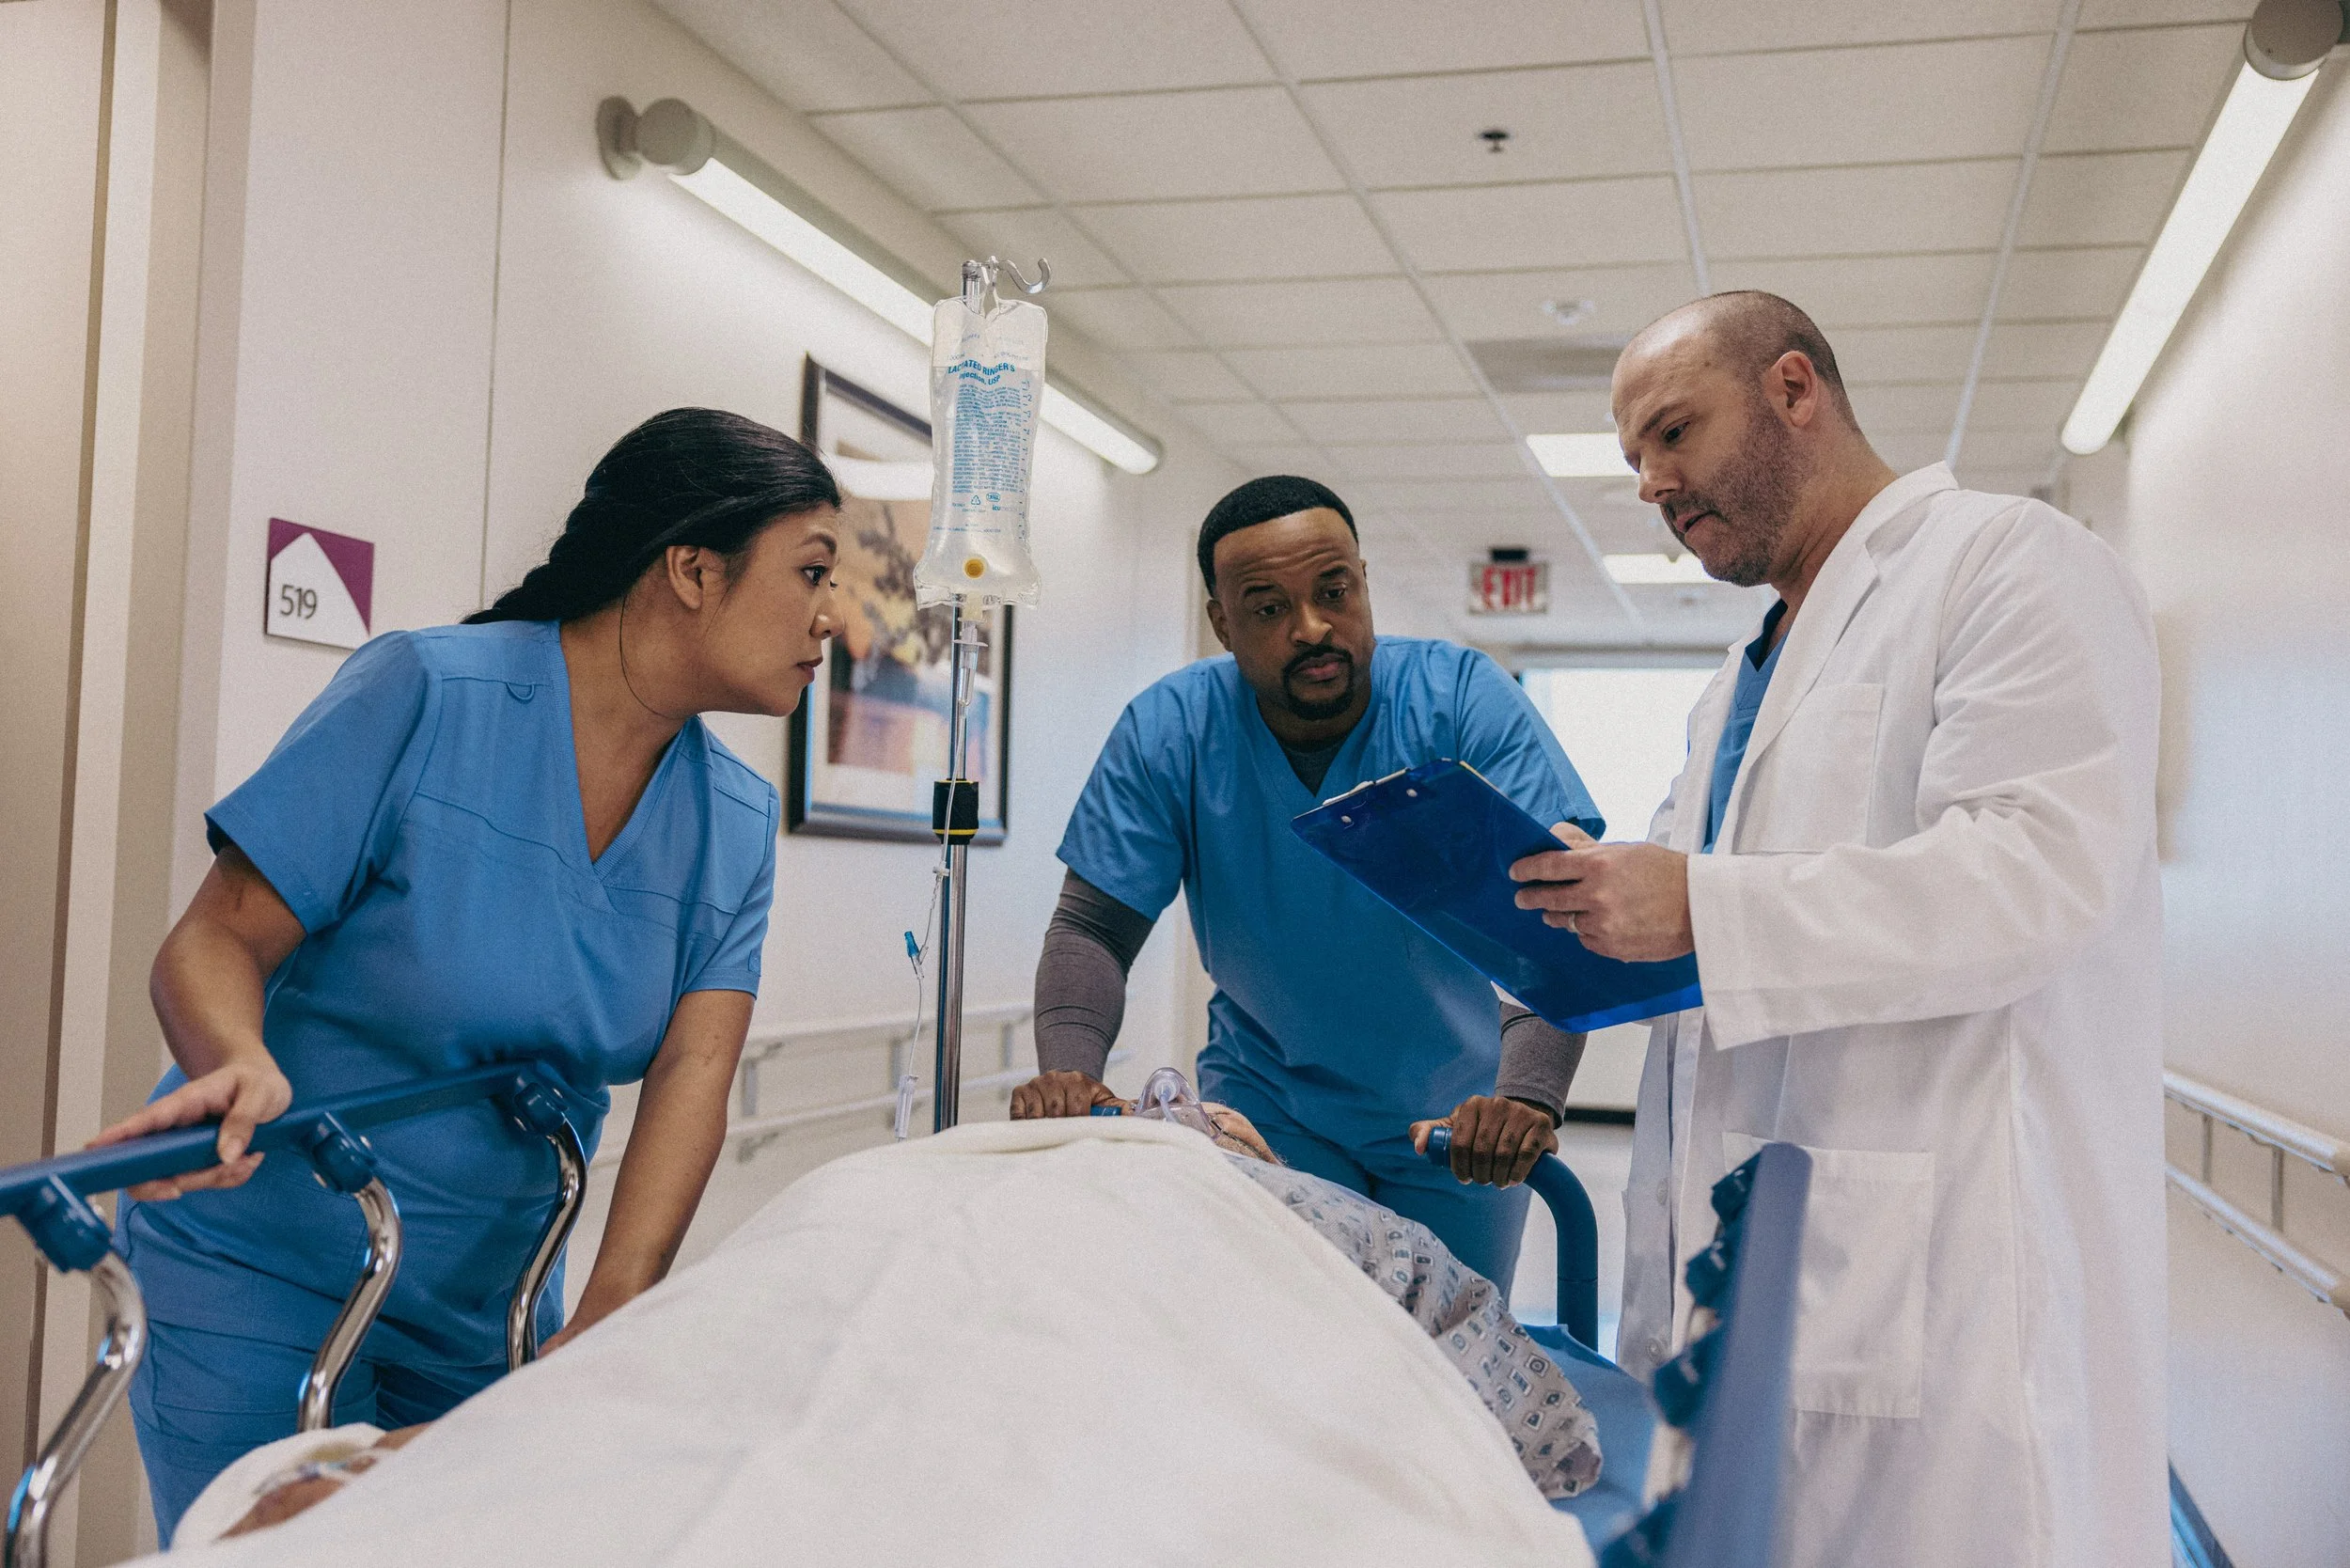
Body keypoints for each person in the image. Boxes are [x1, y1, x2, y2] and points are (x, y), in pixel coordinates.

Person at [88, 407, 842, 1541]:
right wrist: (236, 1062)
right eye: (813, 572)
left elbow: (694, 1070)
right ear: (692, 567)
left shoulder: (732, 820)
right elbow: (216, 937)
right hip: (267, 1268)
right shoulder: (429, 694)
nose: (835, 616)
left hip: (487, 1303)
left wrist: (602, 1334)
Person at [1509, 292, 2164, 1566]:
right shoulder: (1733, 688)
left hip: (1946, 1274)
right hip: (1764, 1271)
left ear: (1794, 390)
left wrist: (1699, 902)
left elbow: (2036, 877)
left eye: (1672, 432)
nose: (1649, 481)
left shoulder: (2008, 563)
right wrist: (1570, 909)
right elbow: (1692, 933)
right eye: (1633, 458)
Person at [1009, 475, 1602, 1291]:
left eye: (1334, 591)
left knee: (1451, 1375)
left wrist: (1528, 1096)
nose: (1312, 628)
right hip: (1271, 1107)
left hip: (1457, 1121)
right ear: (1221, 623)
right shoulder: (1170, 732)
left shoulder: (1459, 702)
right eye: (1267, 608)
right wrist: (1069, 1070)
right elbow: (1094, 929)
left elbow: (1556, 904)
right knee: (1290, 1362)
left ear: (1362, 582)